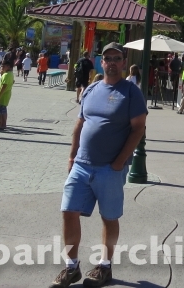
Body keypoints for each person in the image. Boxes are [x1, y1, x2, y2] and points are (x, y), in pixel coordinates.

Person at [52, 43, 147, 288]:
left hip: (109, 169)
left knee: (109, 217)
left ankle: (105, 266)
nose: (112, 62)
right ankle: (71, 267)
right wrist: (72, 157)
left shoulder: (131, 92)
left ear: (124, 62)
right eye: (107, 58)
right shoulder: (92, 89)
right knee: (68, 212)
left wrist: (119, 162)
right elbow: (79, 124)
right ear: (101, 62)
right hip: (82, 165)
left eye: (117, 58)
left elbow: (138, 129)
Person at [0, 60, 14, 130]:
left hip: (3, 95)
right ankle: (1, 123)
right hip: (0, 94)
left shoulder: (6, 75)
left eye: (4, 66)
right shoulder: (7, 74)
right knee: (1, 110)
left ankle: (2, 124)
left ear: (9, 67)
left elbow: (4, 87)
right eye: (1, 66)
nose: (2, 67)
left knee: (1, 111)